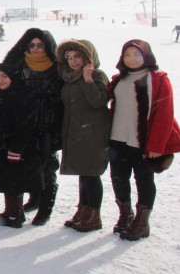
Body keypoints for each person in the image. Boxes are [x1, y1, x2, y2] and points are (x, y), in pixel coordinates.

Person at [108, 39, 180, 241]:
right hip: (117, 139)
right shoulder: (118, 79)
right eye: (127, 55)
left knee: (144, 180)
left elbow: (164, 114)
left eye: (137, 54)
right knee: (118, 178)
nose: (131, 59)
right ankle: (125, 215)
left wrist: (156, 145)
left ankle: (141, 223)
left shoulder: (157, 79)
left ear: (146, 56)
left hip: (143, 142)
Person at [3, 28, 63, 226]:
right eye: (32, 45)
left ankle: (45, 209)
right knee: (27, 165)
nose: (36, 48)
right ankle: (34, 198)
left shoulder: (58, 67)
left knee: (48, 168)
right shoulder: (18, 65)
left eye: (40, 45)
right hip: (25, 124)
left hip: (49, 124)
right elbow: (7, 88)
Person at [56, 40, 110, 232]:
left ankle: (94, 216)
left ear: (88, 57)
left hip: (93, 134)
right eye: (69, 57)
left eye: (77, 56)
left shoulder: (96, 75)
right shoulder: (69, 78)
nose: (73, 61)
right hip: (75, 132)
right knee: (83, 174)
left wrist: (88, 78)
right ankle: (83, 210)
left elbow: (98, 101)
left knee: (91, 174)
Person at [0, 63, 39, 228]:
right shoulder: (2, 95)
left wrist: (17, 148)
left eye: (5, 76)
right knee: (10, 179)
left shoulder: (21, 96)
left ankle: (13, 216)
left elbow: (26, 125)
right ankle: (14, 212)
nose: (0, 80)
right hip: (3, 145)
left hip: (15, 147)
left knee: (14, 180)